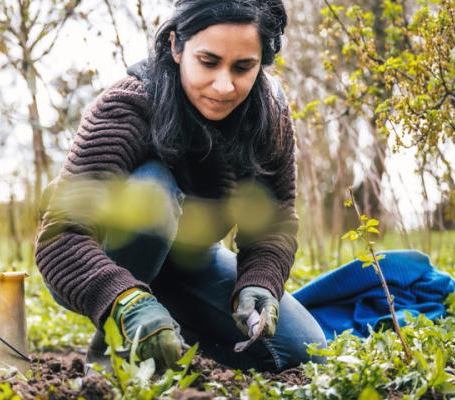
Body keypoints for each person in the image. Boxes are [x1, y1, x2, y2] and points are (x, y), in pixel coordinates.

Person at [35, 0, 324, 372]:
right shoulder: (127, 106)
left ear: (262, 61)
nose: (223, 85)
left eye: (243, 67)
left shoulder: (269, 114)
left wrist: (260, 282)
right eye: (208, 62)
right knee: (152, 191)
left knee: (303, 349)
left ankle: (171, 327)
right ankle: (114, 357)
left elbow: (273, 220)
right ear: (176, 46)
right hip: (93, 260)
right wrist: (124, 299)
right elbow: (61, 237)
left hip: (190, 262)